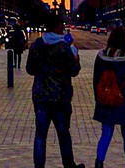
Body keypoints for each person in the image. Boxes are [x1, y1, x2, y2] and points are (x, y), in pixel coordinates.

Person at [26, 13, 83, 168]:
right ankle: (69, 165)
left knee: (40, 135)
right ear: (58, 27)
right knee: (63, 133)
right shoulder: (64, 47)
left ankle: (39, 166)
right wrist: (76, 59)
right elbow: (74, 70)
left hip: (40, 96)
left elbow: (29, 69)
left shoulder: (37, 44)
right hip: (60, 96)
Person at [92, 26, 125, 168]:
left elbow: (96, 81)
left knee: (106, 133)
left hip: (106, 102)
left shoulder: (101, 57)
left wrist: (99, 99)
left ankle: (99, 162)